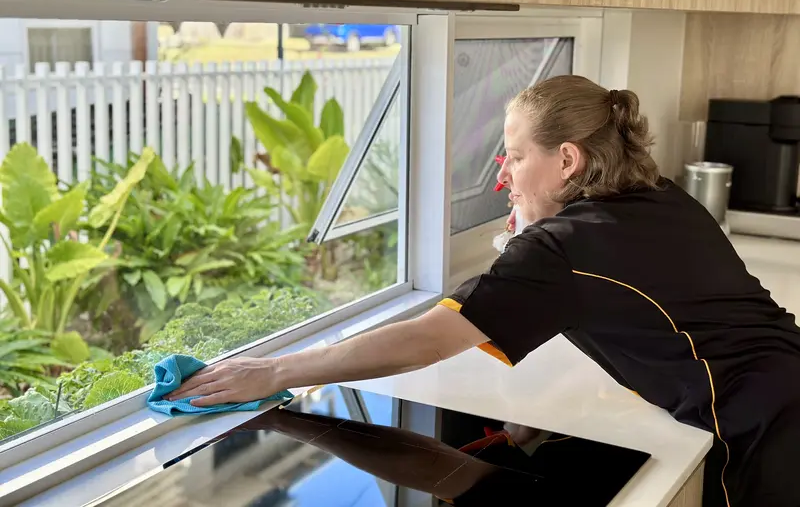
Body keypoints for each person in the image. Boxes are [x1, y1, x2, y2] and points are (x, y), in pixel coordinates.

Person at [168, 75, 800, 507]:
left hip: (758, 430)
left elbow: (425, 342)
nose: (503, 174)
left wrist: (274, 370)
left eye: (514, 156)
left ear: (568, 161)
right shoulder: (657, 196)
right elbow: (636, 307)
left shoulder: (564, 247)